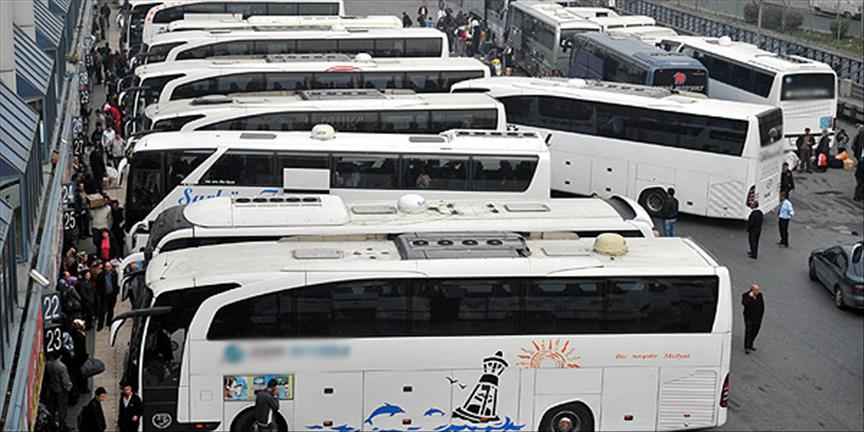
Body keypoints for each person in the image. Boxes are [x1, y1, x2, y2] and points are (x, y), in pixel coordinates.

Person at [43, 352, 73, 427]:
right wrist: (69, 388)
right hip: (61, 391)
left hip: (51, 389)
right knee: (61, 409)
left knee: (52, 408)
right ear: (60, 356)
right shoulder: (62, 367)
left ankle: (52, 423)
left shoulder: (48, 364)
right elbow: (65, 381)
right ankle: (62, 425)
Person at [742, 284, 765, 354]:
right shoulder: (745, 295)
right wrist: (750, 297)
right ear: (752, 290)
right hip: (748, 317)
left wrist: (761, 314)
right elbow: (744, 303)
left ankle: (750, 344)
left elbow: (762, 305)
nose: (758, 291)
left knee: (755, 331)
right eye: (756, 290)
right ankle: (747, 347)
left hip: (757, 318)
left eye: (758, 290)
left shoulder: (760, 295)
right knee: (748, 332)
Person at [96, 260, 118, 331]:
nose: (107, 268)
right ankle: (100, 325)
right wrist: (100, 294)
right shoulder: (101, 275)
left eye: (109, 267)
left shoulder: (114, 274)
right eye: (106, 267)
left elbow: (116, 284)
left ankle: (109, 323)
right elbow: (98, 286)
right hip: (104, 295)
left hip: (112, 295)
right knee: (102, 311)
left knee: (111, 310)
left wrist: (116, 292)